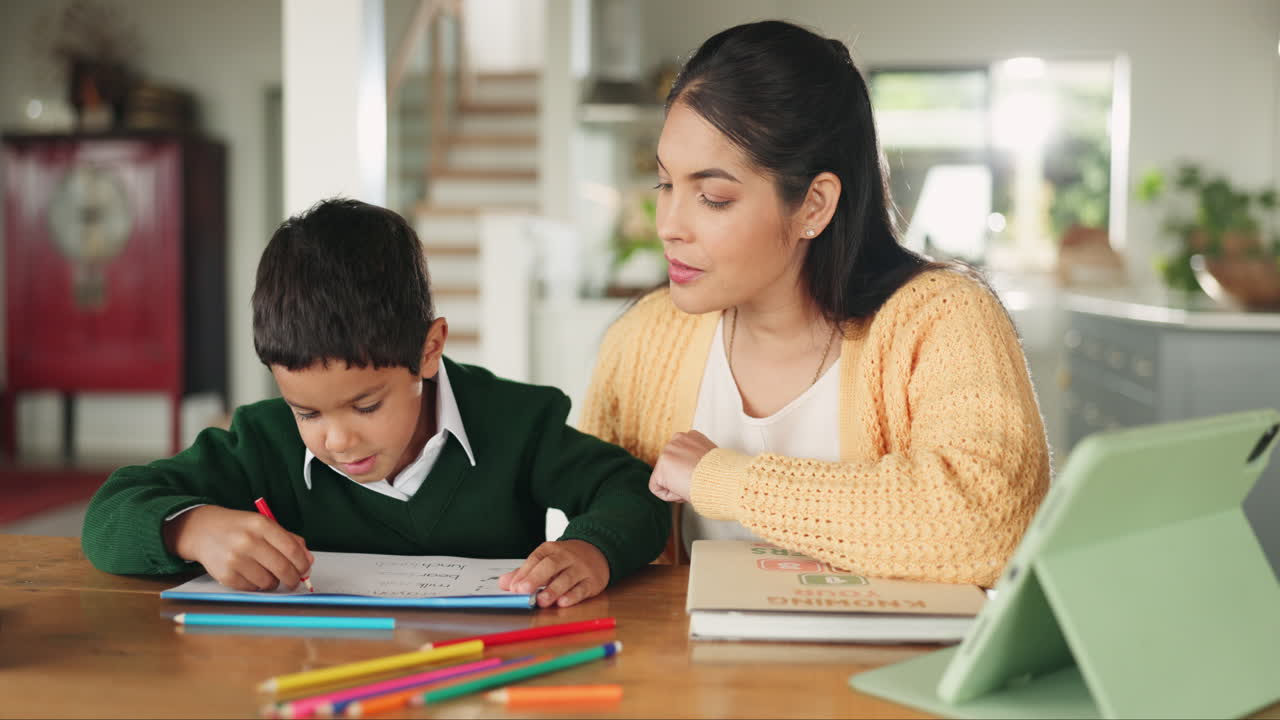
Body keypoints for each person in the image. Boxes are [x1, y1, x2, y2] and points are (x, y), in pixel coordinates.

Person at [580, 20, 1050, 586]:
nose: (669, 225)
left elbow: (987, 523)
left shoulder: (943, 320)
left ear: (814, 205)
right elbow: (597, 516)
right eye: (664, 185)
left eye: (712, 197)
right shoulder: (641, 342)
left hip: (893, 670)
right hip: (699, 672)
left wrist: (723, 479)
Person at [82, 198, 669, 608]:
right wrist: (192, 529)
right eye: (306, 412)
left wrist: (591, 549)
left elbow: (630, 490)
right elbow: (110, 513)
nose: (335, 440)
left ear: (429, 350)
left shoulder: (517, 423)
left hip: (479, 684)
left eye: (365, 406)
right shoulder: (262, 441)